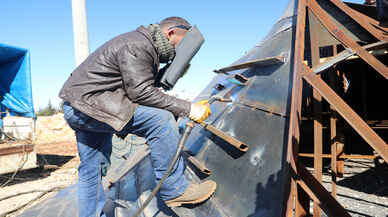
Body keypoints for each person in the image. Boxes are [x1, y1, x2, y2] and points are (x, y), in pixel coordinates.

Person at [59, 16, 216, 217]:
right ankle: (176, 189)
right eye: (181, 42)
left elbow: (137, 85)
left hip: (81, 106)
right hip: (91, 106)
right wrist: (188, 108)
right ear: (171, 33)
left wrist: (168, 75)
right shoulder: (138, 45)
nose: (180, 50)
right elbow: (141, 93)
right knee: (161, 120)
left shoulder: (140, 43)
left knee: (92, 168)